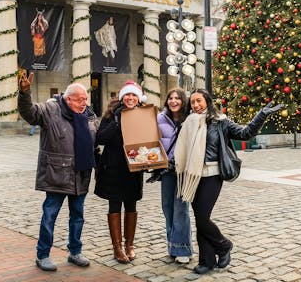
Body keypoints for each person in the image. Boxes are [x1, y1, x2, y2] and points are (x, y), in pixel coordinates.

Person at [174, 89, 283, 274]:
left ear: (207, 101)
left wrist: (261, 115)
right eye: (192, 102)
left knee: (202, 218)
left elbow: (245, 133)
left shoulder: (221, 122)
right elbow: (182, 150)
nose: (195, 105)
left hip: (213, 175)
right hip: (193, 176)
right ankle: (206, 260)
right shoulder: (189, 123)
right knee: (201, 220)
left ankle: (224, 246)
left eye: (199, 101)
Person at [18, 72, 99, 272]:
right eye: (80, 100)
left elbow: (97, 135)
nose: (84, 103)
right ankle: (43, 254)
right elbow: (29, 112)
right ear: (68, 99)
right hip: (57, 173)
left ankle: (75, 251)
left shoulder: (88, 114)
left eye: (86, 99)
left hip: (81, 174)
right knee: (50, 215)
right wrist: (24, 92)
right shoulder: (50, 110)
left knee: (78, 216)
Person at [95, 80, 148, 264]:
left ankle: (129, 245)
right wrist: (118, 122)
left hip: (133, 169)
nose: (130, 98)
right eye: (127, 95)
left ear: (138, 98)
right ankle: (117, 248)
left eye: (134, 95)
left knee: (132, 206)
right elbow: (100, 138)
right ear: (122, 96)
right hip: (113, 169)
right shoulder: (111, 115)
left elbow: (149, 140)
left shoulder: (144, 114)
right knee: (115, 206)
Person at [154, 88, 193, 264]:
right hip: (166, 170)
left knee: (181, 209)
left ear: (183, 101)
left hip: (183, 170)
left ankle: (183, 249)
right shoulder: (159, 118)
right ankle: (173, 245)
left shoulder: (190, 120)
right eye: (170, 98)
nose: (174, 101)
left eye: (177, 98)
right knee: (167, 207)